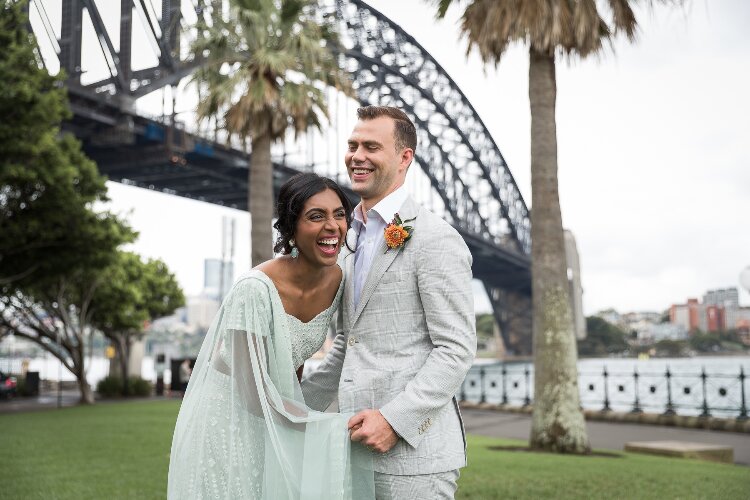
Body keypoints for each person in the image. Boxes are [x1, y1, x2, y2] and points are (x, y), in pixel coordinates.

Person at [301, 106, 476, 499]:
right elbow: (349, 342)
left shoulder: (436, 239)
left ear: (404, 158)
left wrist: (394, 422)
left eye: (371, 146)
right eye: (352, 145)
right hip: (352, 446)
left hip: (414, 457)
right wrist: (290, 407)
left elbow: (456, 349)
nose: (356, 155)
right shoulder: (349, 238)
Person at [168, 173, 374, 499]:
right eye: (316, 216)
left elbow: (292, 367)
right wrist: (326, 425)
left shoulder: (337, 280)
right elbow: (253, 392)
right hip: (229, 422)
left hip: (277, 418)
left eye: (339, 214)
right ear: (291, 227)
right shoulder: (254, 290)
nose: (333, 226)